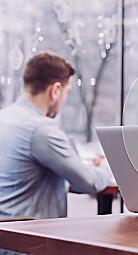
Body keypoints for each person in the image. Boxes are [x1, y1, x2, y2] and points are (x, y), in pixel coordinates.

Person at [0, 52, 112, 220]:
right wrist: (107, 166)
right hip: (28, 239)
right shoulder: (41, 129)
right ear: (55, 90)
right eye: (67, 92)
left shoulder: (5, 117)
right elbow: (89, 183)